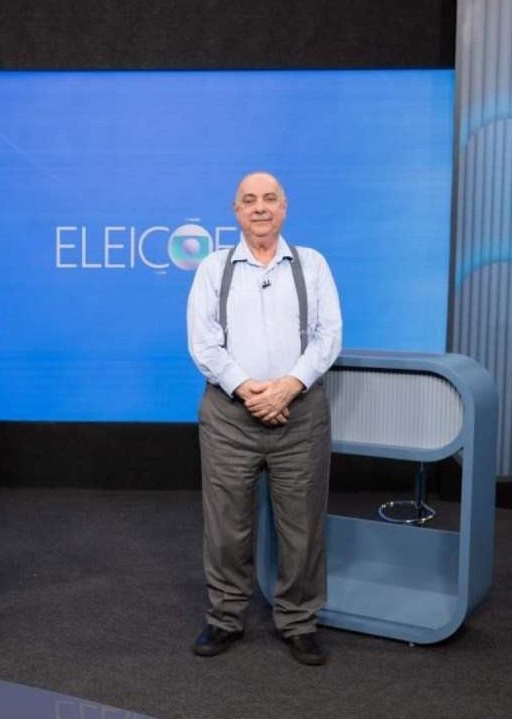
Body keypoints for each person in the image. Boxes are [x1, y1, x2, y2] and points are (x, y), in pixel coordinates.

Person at [185, 171, 342, 666]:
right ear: (235, 211)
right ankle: (226, 618)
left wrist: (289, 386)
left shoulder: (312, 265)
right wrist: (247, 388)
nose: (259, 208)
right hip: (231, 415)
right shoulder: (213, 268)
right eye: (248, 200)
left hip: (301, 416)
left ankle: (298, 621)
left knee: (301, 526)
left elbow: (328, 335)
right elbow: (203, 340)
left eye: (269, 199)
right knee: (226, 526)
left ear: (284, 207)